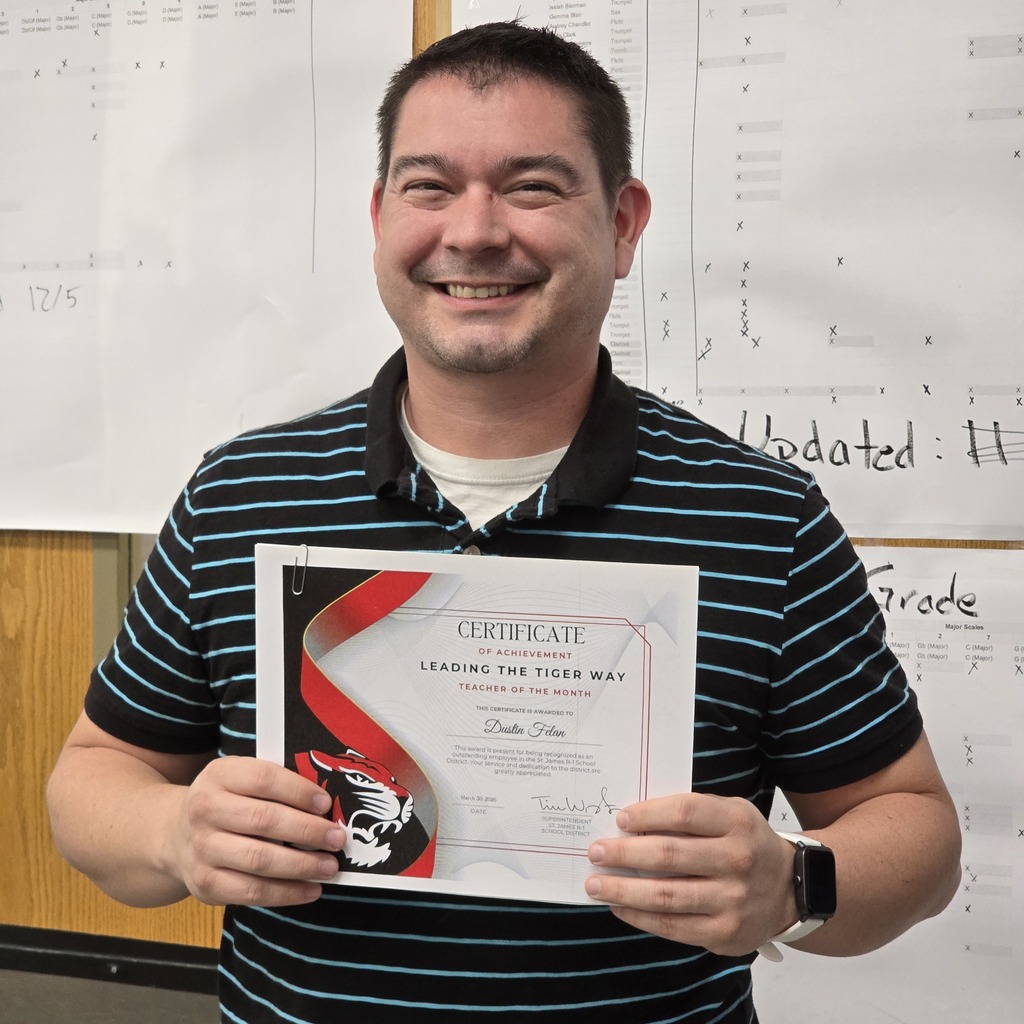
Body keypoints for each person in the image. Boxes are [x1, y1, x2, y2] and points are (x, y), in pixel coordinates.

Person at [47, 21, 961, 1024]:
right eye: (428, 186)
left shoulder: (761, 517)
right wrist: (175, 831)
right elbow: (96, 780)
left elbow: (913, 831)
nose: (474, 231)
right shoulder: (242, 493)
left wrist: (796, 882)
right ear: (380, 215)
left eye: (530, 185)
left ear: (621, 223)